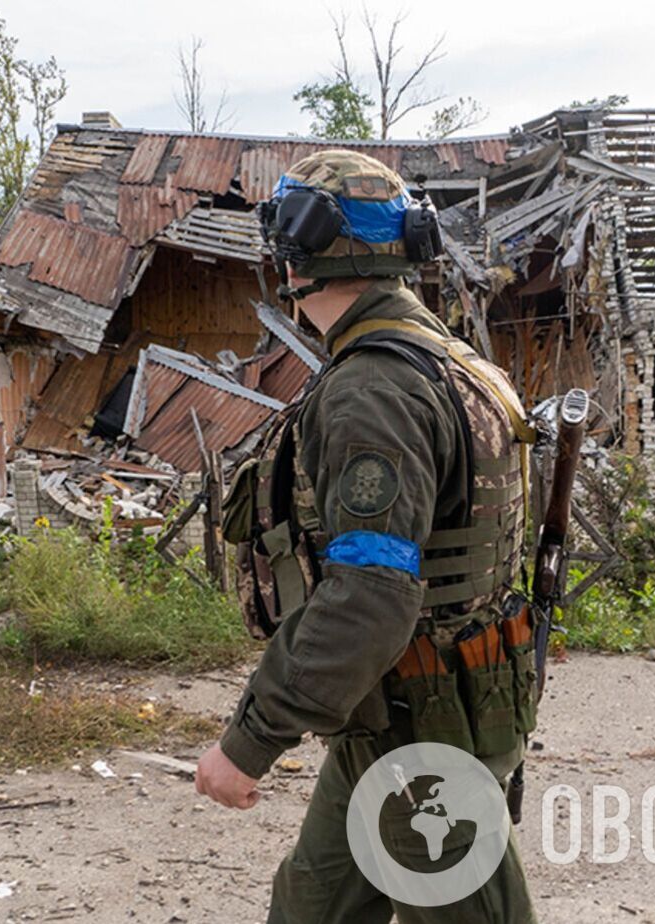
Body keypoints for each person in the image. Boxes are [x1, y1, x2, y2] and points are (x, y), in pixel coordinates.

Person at [197, 149, 539, 922]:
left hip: (422, 741)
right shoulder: (453, 362)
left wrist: (249, 742)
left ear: (294, 257)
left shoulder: (373, 391)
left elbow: (370, 597)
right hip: (391, 719)